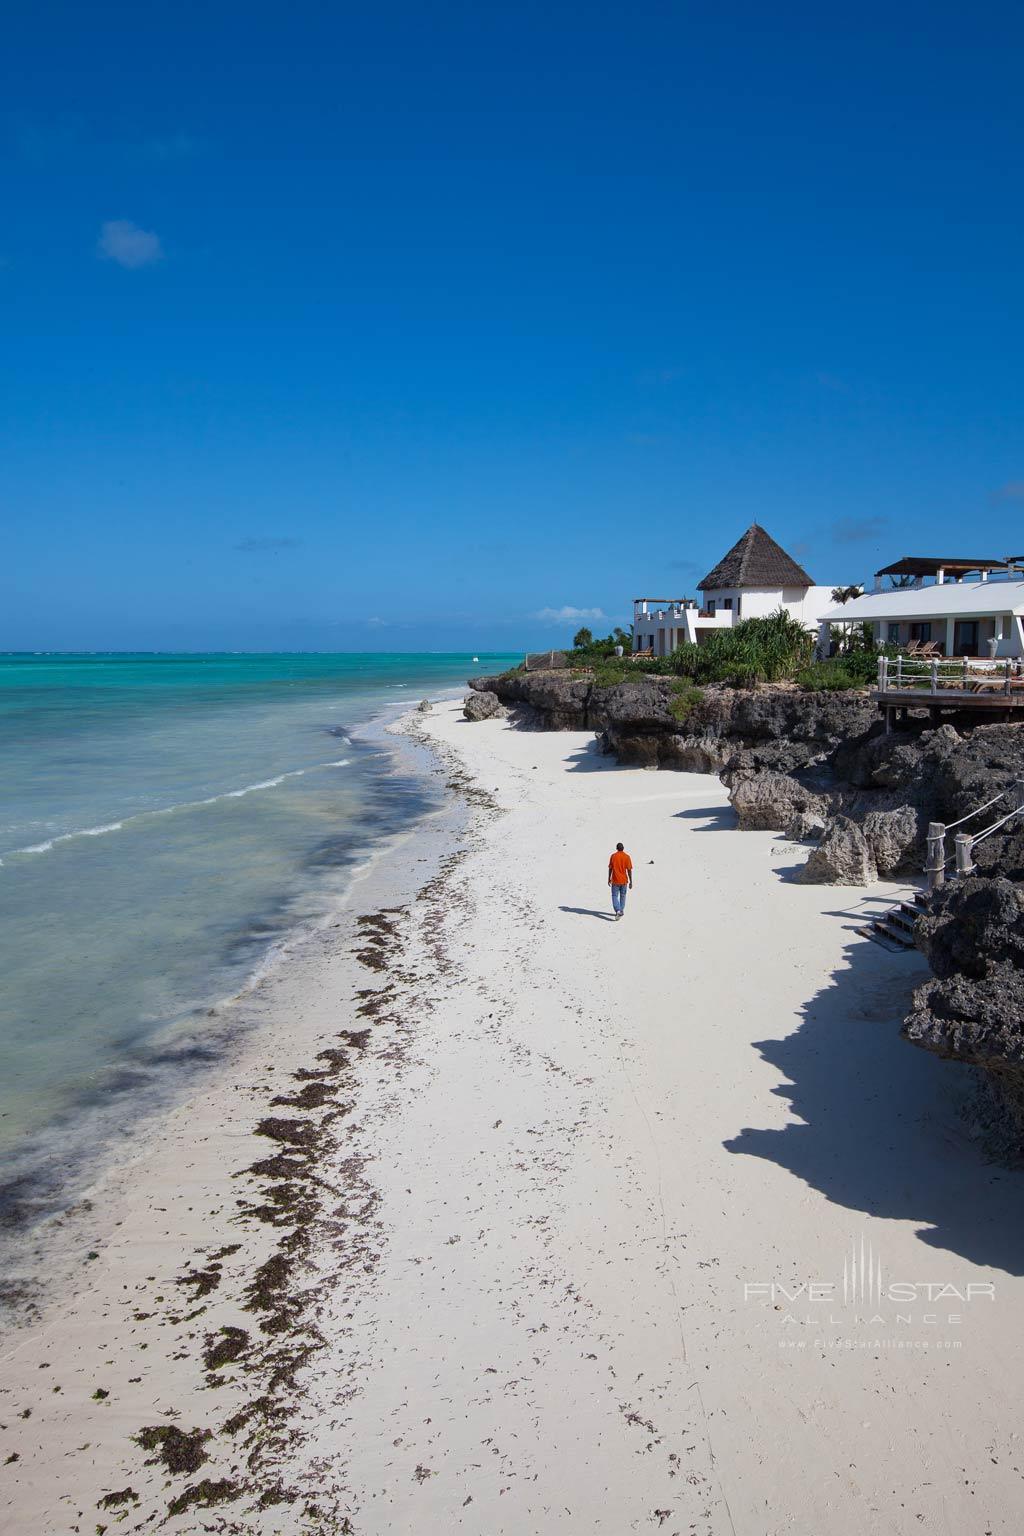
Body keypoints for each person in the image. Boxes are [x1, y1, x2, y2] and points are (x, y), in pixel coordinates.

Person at [607, 842, 633, 920]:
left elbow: (610, 868)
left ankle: (618, 910)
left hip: (615, 880)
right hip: (624, 881)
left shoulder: (613, 856)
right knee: (623, 896)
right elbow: (629, 870)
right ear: (623, 848)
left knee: (614, 896)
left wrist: (609, 878)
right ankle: (620, 910)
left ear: (616, 848)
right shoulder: (627, 857)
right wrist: (631, 881)